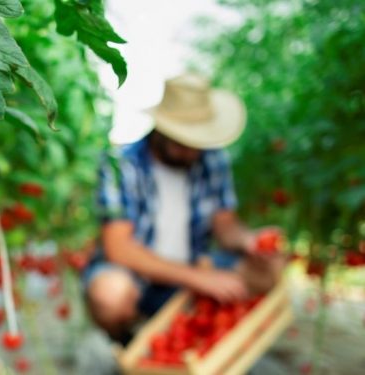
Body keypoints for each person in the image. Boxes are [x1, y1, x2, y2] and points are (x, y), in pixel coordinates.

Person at [83, 73, 285, 341]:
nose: (193, 152)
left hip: (196, 266)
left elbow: (225, 225)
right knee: (110, 294)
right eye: (183, 142)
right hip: (139, 278)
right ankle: (130, 341)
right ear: (162, 130)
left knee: (273, 268)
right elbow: (118, 248)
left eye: (198, 142)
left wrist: (248, 240)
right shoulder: (121, 165)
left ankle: (207, 335)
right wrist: (198, 279)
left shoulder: (212, 160)